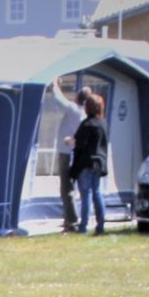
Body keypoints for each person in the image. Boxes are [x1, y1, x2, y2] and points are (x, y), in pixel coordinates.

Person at [70, 90, 109, 235]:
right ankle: (100, 226)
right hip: (99, 163)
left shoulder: (86, 125)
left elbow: (80, 145)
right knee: (97, 193)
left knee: (85, 194)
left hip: (85, 163)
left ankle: (83, 226)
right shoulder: (103, 124)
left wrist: (71, 142)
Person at [51, 81, 85, 233]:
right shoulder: (82, 113)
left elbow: (59, 99)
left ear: (78, 97)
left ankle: (71, 221)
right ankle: (69, 218)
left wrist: (55, 83)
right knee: (68, 187)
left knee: (67, 187)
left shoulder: (74, 109)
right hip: (72, 152)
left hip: (67, 153)